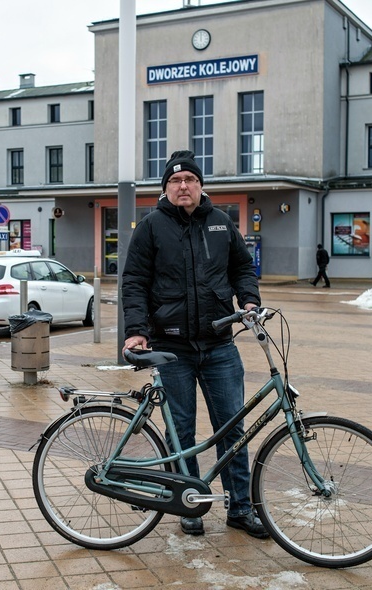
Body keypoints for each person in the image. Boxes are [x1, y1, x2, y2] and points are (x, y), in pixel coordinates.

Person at [121, 150, 268, 539]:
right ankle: (189, 504)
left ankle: (240, 508)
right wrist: (136, 329)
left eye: (189, 180)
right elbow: (133, 281)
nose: (182, 186)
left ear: (201, 186)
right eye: (174, 180)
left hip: (220, 344)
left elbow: (241, 267)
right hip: (173, 349)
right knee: (181, 431)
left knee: (232, 431)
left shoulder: (221, 224)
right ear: (165, 188)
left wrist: (248, 300)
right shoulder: (151, 227)